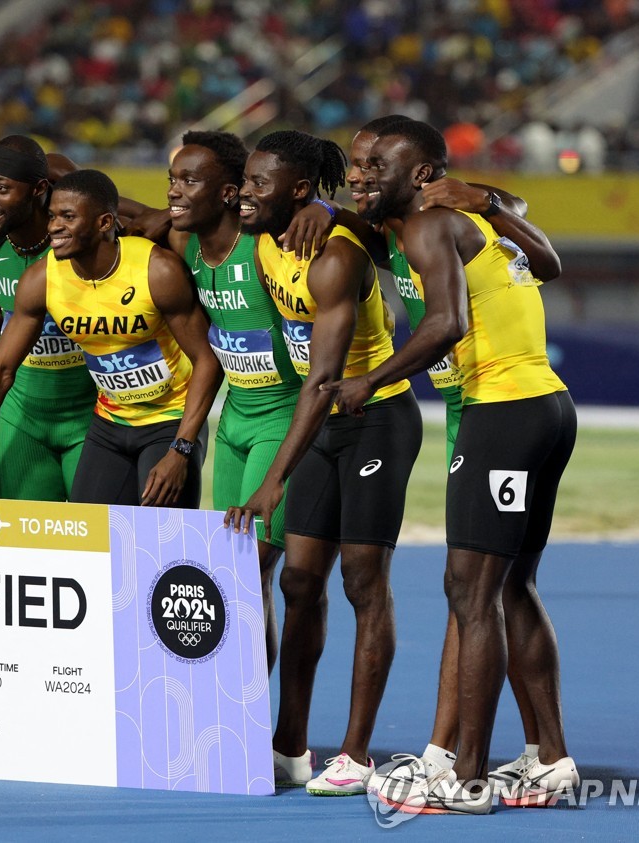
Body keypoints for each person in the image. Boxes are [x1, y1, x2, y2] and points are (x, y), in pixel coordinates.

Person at [328, 119, 577, 814]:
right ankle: (548, 760)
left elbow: (446, 325)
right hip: (541, 409)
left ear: (423, 175)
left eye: (378, 163)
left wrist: (367, 380)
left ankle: (462, 776)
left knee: (471, 594)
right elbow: (548, 260)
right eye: (355, 162)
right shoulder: (449, 219)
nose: (360, 174)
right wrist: (490, 202)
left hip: (502, 410)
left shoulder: (431, 226)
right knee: (510, 588)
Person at [222, 130, 422, 795]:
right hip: (324, 425)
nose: (244, 195)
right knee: (300, 584)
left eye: (257, 184)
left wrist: (271, 482)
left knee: (364, 581)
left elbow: (322, 379)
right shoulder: (266, 236)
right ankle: (290, 746)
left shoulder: (334, 256)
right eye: (245, 182)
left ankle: (358, 753)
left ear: (299, 189)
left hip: (374, 421)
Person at [0, 169, 222, 508]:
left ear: (102, 223)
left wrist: (181, 448)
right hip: (110, 423)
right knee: (90, 543)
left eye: (68, 217)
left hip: (168, 421)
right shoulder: (42, 278)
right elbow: (1, 366)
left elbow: (206, 360)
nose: (54, 226)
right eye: (53, 215)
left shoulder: (157, 270)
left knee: (162, 548)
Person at [162, 130, 323, 673]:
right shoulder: (185, 245)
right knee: (232, 577)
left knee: (251, 568)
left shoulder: (267, 247)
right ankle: (241, 721)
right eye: (172, 180)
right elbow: (119, 212)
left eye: (189, 181)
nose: (174, 192)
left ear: (230, 193)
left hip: (280, 417)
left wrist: (325, 207)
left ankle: (249, 726)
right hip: (232, 420)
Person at [0, 135, 96, 501]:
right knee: (20, 550)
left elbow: (83, 186)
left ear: (39, 189)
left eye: (2, 187)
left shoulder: (80, 241)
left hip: (92, 415)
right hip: (22, 416)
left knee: (100, 547)